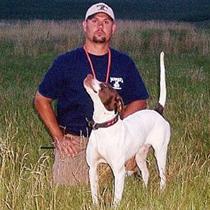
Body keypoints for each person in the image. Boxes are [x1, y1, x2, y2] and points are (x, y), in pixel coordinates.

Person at [34, 2, 149, 186]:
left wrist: (122, 127)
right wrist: (59, 139)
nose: (100, 25)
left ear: (113, 28)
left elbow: (140, 101)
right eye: (94, 20)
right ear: (84, 25)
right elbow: (41, 100)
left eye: (106, 21)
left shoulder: (124, 62)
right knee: (69, 186)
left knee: (122, 182)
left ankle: (131, 166)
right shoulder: (66, 62)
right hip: (77, 139)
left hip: (115, 136)